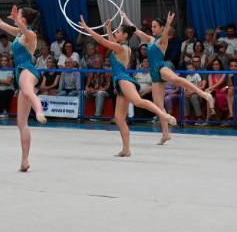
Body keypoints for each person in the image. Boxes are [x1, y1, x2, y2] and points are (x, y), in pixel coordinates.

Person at [79, 18, 176, 157]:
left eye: (118, 32)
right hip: (119, 82)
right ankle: (126, 149)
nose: (116, 33)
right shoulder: (122, 47)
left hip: (123, 80)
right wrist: (108, 28)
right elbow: (111, 41)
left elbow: (101, 41)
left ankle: (164, 115)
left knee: (138, 101)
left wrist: (87, 28)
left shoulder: (121, 48)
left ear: (125, 35)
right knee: (119, 118)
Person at [121, 11, 214, 145]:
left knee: (176, 80)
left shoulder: (163, 40)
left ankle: (204, 94)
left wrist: (169, 23)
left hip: (161, 67)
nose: (152, 29)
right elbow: (135, 30)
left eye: (155, 26)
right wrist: (125, 18)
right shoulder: (150, 40)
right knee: (159, 106)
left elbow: (165, 34)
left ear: (162, 28)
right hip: (153, 73)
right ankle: (165, 134)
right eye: (152, 27)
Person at [0, 0, 47, 172]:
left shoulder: (31, 35)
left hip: (28, 70)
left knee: (27, 91)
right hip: (19, 72)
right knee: (21, 123)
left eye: (19, 15)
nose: (15, 16)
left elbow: (25, 31)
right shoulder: (18, 34)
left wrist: (17, 20)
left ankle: (39, 111)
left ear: (23, 19)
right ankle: (24, 160)